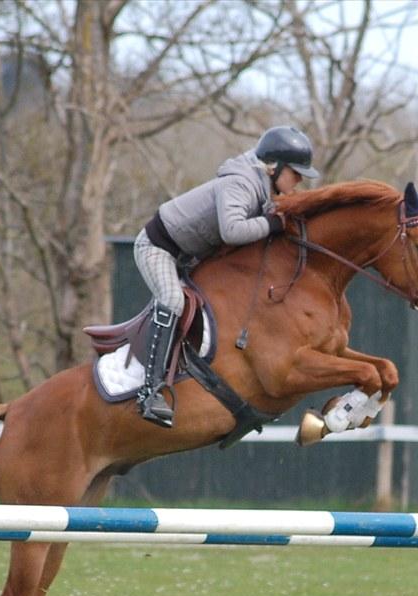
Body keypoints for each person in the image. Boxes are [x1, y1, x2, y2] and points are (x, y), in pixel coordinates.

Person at [134, 125, 320, 428]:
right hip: (158, 248)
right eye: (295, 173)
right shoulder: (241, 183)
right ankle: (149, 390)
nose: (299, 180)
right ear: (273, 167)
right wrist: (272, 225)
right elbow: (231, 230)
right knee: (171, 300)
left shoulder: (264, 187)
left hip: (189, 255)